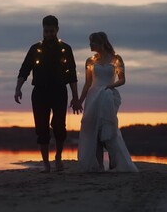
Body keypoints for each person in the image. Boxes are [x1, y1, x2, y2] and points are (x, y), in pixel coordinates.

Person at [14, 15, 81, 173]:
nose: (49, 33)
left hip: (59, 91)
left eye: (52, 31)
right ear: (43, 30)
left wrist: (75, 97)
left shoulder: (66, 49)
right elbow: (24, 70)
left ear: (57, 29)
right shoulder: (35, 49)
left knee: (59, 126)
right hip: (40, 92)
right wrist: (18, 88)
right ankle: (46, 163)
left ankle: (58, 157)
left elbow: (72, 75)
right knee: (41, 128)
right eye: (46, 31)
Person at [76, 32, 138, 173]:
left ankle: (113, 158)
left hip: (107, 96)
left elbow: (122, 79)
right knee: (92, 129)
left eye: (92, 42)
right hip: (93, 97)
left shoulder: (116, 59)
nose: (90, 45)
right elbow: (87, 83)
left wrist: (111, 86)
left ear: (101, 43)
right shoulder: (90, 61)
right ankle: (98, 166)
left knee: (107, 128)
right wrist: (80, 100)